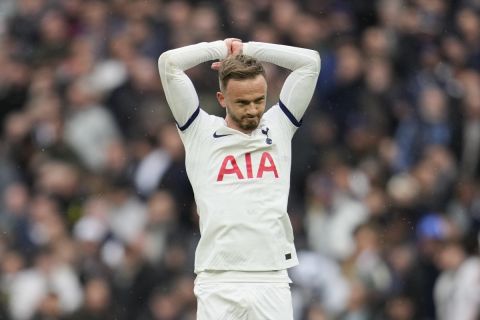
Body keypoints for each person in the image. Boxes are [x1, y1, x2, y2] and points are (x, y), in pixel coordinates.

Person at [158, 38, 320, 319]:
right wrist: (221, 48)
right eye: (242, 102)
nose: (253, 109)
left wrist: (249, 49)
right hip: (218, 277)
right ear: (222, 99)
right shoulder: (200, 132)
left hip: (272, 276)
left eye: (259, 100)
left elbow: (310, 62)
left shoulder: (279, 126)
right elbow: (169, 64)